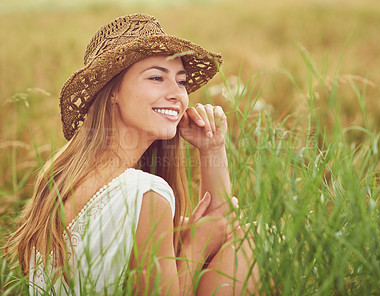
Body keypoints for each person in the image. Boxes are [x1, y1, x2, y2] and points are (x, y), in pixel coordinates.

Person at [5, 13, 258, 295]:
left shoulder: (62, 175)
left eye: (181, 81)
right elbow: (220, 233)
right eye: (156, 77)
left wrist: (212, 147)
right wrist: (196, 247)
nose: (177, 94)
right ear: (112, 92)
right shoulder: (143, 192)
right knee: (254, 246)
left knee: (244, 241)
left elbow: (221, 226)